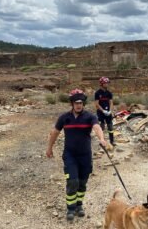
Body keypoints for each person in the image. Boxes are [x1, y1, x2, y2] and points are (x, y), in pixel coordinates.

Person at [46, 89, 108, 222]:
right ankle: (70, 208)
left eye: (80, 102)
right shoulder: (64, 118)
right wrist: (49, 148)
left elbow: (97, 127)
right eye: (76, 103)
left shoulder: (90, 116)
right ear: (72, 103)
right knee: (72, 181)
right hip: (70, 155)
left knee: (82, 183)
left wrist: (102, 138)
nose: (78, 105)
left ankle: (79, 205)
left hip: (85, 156)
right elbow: (55, 133)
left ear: (83, 103)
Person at [95, 77, 115, 146]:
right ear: (101, 84)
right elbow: (97, 104)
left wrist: (110, 111)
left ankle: (112, 141)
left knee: (110, 127)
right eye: (106, 83)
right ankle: (102, 141)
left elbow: (111, 103)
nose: (107, 84)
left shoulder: (109, 93)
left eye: (107, 83)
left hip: (108, 112)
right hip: (101, 113)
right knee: (102, 127)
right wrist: (103, 111)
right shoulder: (97, 93)